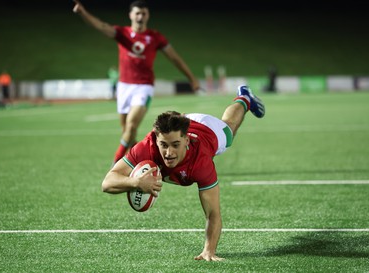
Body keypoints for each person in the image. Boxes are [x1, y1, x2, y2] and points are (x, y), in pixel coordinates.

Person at [102, 85, 265, 261]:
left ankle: (245, 99)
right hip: (182, 123)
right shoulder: (146, 147)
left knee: (230, 129)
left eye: (175, 145)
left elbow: (213, 213)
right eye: (163, 145)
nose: (169, 153)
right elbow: (107, 183)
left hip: (208, 129)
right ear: (156, 139)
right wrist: (136, 183)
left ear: (186, 140)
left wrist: (209, 250)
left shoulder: (201, 162)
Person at [73, 0, 200, 165]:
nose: (140, 16)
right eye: (137, 13)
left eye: (143, 13)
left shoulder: (155, 37)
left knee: (131, 126)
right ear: (131, 15)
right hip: (124, 86)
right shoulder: (122, 33)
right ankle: (142, 157)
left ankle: (116, 163)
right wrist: (83, 12)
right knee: (126, 130)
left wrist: (192, 78)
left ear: (148, 15)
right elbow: (101, 26)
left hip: (144, 87)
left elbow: (175, 58)